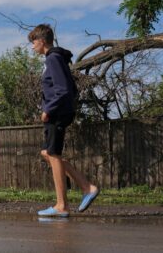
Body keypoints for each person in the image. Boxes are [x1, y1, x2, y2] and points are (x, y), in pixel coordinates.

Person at [28, 24, 99, 217]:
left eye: (33, 42)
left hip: (56, 113)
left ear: (42, 41)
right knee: (47, 153)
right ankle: (87, 187)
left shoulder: (53, 58)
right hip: (59, 112)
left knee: (53, 154)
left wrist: (48, 109)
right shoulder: (56, 59)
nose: (32, 46)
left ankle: (62, 205)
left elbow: (65, 90)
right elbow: (73, 89)